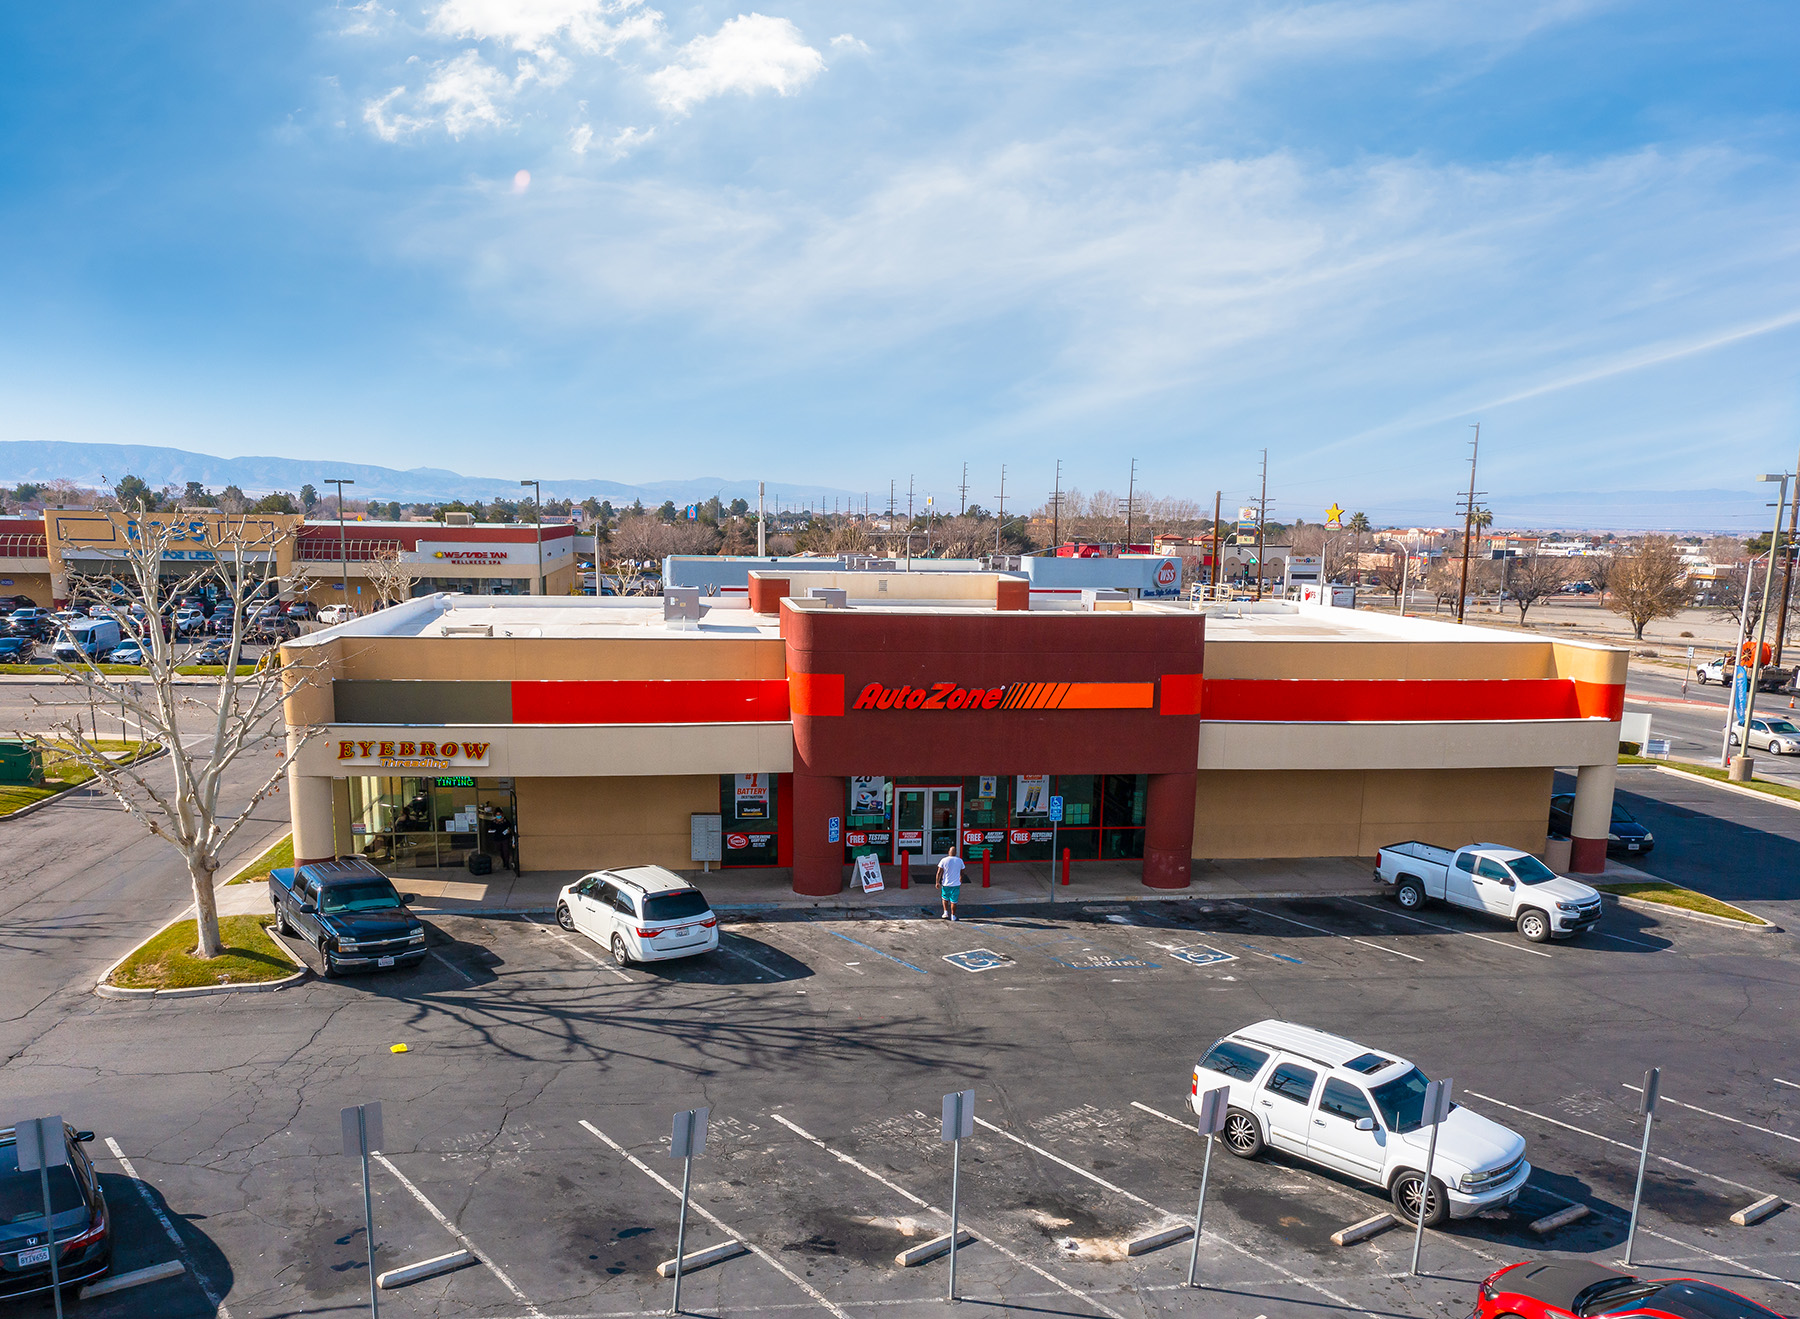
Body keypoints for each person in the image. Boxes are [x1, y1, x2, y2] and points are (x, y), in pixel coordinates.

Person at [937, 844, 964, 921]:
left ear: (949, 852)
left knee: (945, 898)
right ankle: (953, 915)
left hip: (946, 883)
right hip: (956, 884)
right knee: (954, 901)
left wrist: (937, 882)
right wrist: (961, 878)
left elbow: (939, 872)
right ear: (956, 852)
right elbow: (962, 871)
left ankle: (945, 912)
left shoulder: (944, 860)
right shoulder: (960, 860)